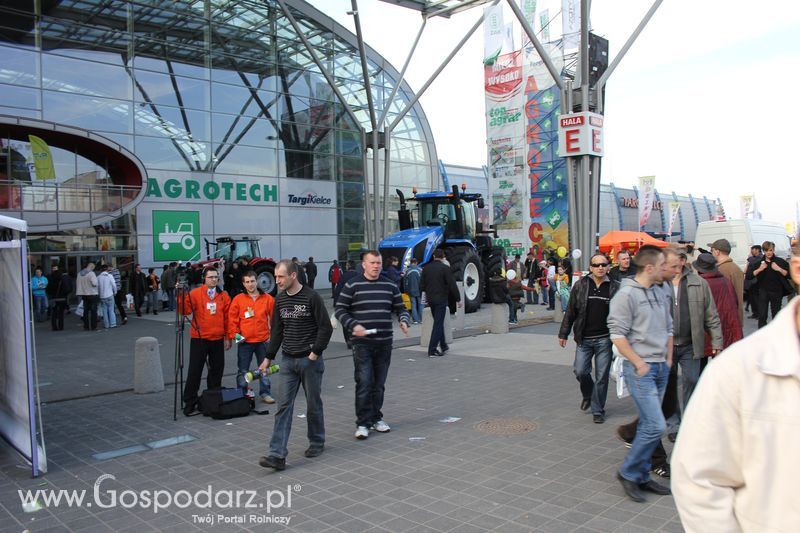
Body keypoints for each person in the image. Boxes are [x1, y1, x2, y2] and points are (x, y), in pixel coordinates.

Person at [671, 244, 800, 532]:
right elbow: (698, 479)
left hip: (703, 344)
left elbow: (717, 313)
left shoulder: (702, 284)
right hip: (695, 346)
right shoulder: (740, 371)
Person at [608, 245, 673, 502]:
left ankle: (642, 475)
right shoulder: (626, 296)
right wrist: (638, 362)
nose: (665, 269)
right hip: (640, 368)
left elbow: (668, 327)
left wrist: (667, 358)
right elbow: (617, 335)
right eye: (661, 265)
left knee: (649, 424)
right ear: (649, 268)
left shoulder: (661, 290)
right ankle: (628, 472)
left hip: (659, 366)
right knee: (656, 425)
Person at [258, 260, 333, 470]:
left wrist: (315, 353)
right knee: (283, 407)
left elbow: (325, 328)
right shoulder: (279, 300)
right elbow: (277, 332)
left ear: (293, 276)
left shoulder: (312, 297)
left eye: (281, 276)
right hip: (288, 362)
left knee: (313, 404)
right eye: (276, 276)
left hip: (310, 361)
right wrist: (268, 357)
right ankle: (277, 455)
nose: (277, 280)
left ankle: (317, 441)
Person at [335, 251, 410, 440]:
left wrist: (403, 320)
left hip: (384, 342)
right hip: (362, 344)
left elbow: (401, 307)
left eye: (379, 263)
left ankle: (376, 418)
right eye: (372, 262)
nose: (376, 266)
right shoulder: (353, 284)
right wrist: (354, 325)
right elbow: (340, 310)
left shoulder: (390, 285)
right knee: (364, 383)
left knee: (379, 384)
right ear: (364, 264)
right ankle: (362, 423)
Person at [558, 253, 619, 424]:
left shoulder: (615, 287)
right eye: (596, 265)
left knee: (601, 377)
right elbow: (571, 311)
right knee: (580, 371)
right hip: (584, 338)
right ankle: (588, 394)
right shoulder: (581, 285)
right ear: (590, 267)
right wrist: (563, 333)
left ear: (608, 267)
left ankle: (598, 409)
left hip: (605, 339)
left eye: (603, 264)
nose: (600, 267)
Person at [669, 251, 723, 424]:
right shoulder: (659, 284)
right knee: (669, 385)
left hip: (690, 343)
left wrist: (717, 341)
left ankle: (688, 420)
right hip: (665, 346)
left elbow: (711, 315)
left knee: (692, 380)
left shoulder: (698, 283)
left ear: (683, 261)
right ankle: (674, 422)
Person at [179, 267, 232, 416]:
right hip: (199, 338)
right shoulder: (195, 294)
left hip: (217, 338)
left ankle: (212, 399)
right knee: (195, 371)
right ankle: (189, 401)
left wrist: (228, 337)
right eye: (211, 277)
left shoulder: (223, 296)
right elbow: (185, 311)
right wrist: (181, 295)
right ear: (204, 278)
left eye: (216, 277)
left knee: (216, 371)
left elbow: (228, 318)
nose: (214, 279)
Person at [229, 271, 275, 404]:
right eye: (247, 282)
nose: (250, 284)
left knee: (264, 369)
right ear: (243, 283)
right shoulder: (238, 299)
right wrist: (237, 337)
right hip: (245, 342)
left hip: (263, 341)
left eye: (252, 281)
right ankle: (242, 394)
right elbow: (232, 321)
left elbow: (275, 319)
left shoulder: (267, 298)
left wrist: (271, 337)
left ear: (257, 281)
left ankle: (265, 393)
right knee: (243, 370)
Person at [693, 253, 743, 355]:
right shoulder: (726, 281)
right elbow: (735, 303)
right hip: (726, 326)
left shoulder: (699, 283)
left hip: (706, 330)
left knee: (702, 365)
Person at [420, 249, 460, 357]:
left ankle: (443, 345)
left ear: (433, 256)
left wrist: (425, 298)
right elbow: (452, 284)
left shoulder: (426, 268)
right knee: (438, 324)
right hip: (441, 299)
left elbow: (422, 286)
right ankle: (432, 349)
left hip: (431, 300)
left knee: (438, 321)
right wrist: (458, 299)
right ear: (443, 257)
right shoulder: (445, 268)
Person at [748, 240, 791, 328]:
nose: (768, 252)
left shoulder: (780, 262)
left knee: (776, 315)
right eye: (766, 250)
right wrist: (759, 269)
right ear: (763, 251)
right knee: (762, 315)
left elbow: (790, 275)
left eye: (770, 250)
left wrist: (779, 269)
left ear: (773, 250)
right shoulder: (758, 263)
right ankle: (762, 334)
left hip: (776, 291)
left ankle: (776, 333)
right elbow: (748, 276)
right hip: (763, 291)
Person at [708, 238, 744, 326]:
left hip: (726, 319)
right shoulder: (735, 268)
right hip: (734, 318)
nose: (711, 253)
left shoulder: (721, 270)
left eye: (712, 250)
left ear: (717, 252)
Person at [76, 262, 99, 331]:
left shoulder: (79, 274)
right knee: (93, 311)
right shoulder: (91, 273)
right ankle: (93, 326)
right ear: (91, 267)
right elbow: (94, 283)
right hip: (92, 294)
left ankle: (86, 326)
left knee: (85, 311)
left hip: (84, 294)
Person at [49, 266, 73, 331]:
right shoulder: (61, 279)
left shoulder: (50, 278)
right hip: (62, 297)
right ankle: (61, 326)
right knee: (61, 313)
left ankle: (54, 327)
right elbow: (66, 288)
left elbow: (48, 289)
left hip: (53, 297)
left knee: (54, 312)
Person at [744, 244, 762, 318]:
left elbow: (754, 264)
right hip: (750, 281)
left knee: (756, 298)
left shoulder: (760, 257)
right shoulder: (753, 258)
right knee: (752, 298)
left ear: (757, 250)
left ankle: (759, 314)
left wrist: (750, 258)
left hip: (756, 281)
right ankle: (755, 313)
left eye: (753, 249)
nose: (751, 251)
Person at [96, 264, 117, 329]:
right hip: (110, 294)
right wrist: (115, 292)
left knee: (104, 310)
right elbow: (114, 285)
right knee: (111, 310)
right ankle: (113, 324)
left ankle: (106, 324)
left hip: (102, 296)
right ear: (107, 269)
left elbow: (97, 287)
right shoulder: (109, 276)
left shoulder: (98, 277)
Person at [404, 258, 423, 324]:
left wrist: (406, 290)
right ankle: (421, 319)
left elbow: (405, 282)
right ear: (416, 262)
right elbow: (423, 281)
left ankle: (415, 320)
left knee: (413, 305)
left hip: (410, 291)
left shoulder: (407, 271)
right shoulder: (420, 270)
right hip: (420, 291)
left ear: (410, 262)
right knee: (421, 304)